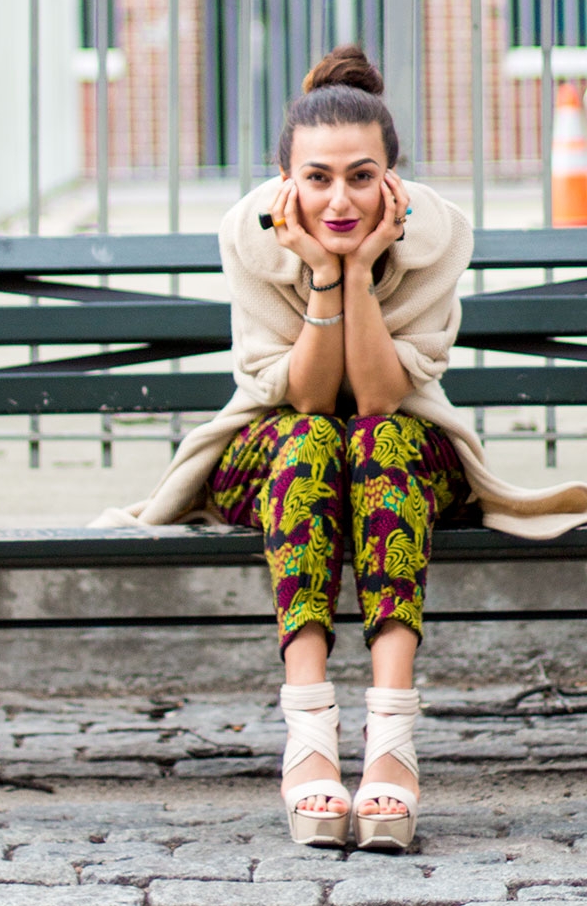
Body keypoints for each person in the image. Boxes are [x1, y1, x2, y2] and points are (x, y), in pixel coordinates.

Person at [93, 45, 587, 852]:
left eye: (362, 176)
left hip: (402, 450)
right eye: (317, 177)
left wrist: (358, 274)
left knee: (379, 436)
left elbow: (385, 395)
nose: (340, 197)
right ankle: (310, 738)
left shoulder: (434, 242)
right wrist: (324, 270)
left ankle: (393, 746)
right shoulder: (252, 239)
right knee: (313, 438)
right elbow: (308, 396)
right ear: (286, 181)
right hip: (278, 448)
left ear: (394, 180)